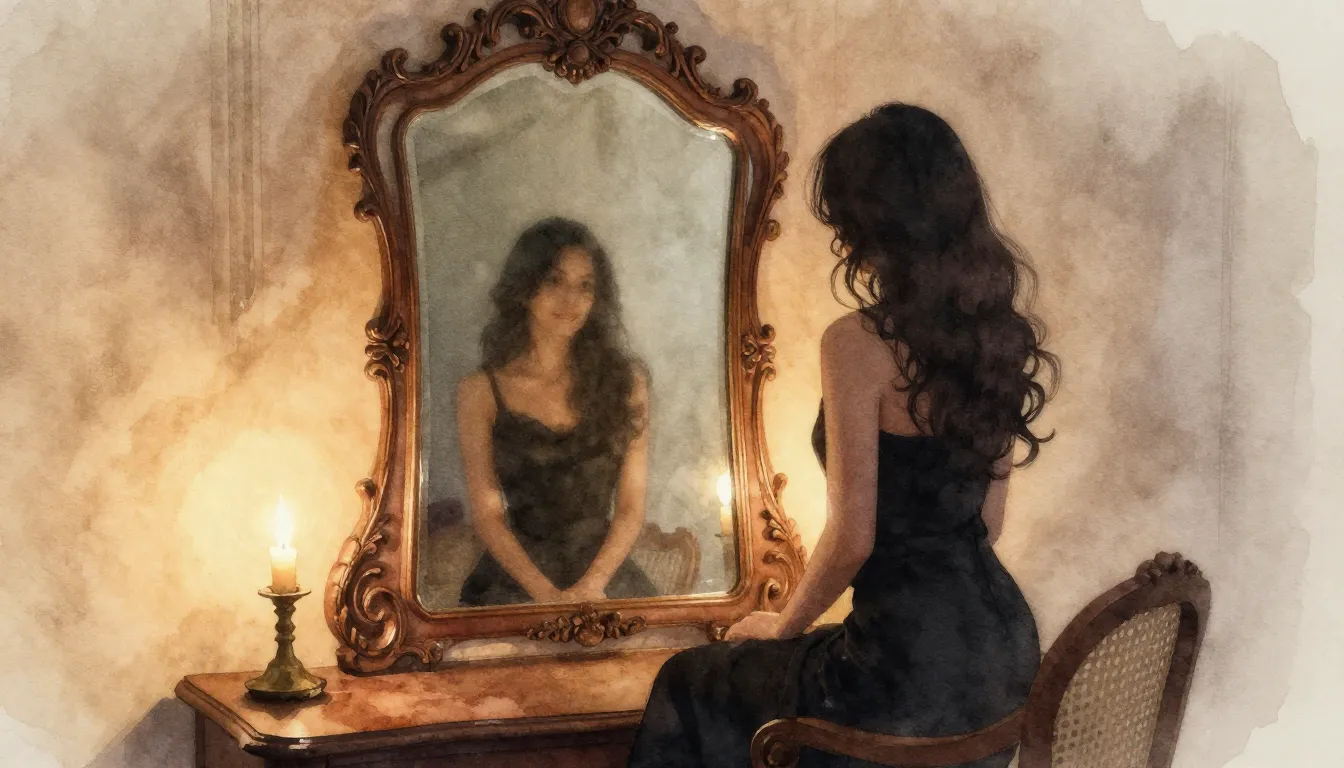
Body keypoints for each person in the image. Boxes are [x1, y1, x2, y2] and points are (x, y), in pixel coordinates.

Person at [626, 103, 1060, 767]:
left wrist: (782, 625)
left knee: (689, 680)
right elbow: (988, 522)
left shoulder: (859, 343)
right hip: (1002, 654)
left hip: (906, 667)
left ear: (873, 221)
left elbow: (854, 536)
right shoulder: (996, 334)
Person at [456, 217, 658, 606]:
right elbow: (488, 516)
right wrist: (547, 597)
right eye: (554, 281)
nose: (570, 300)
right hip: (514, 584)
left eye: (585, 286)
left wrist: (591, 587)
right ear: (524, 288)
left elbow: (631, 508)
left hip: (604, 582)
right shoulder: (478, 392)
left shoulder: (627, 382)